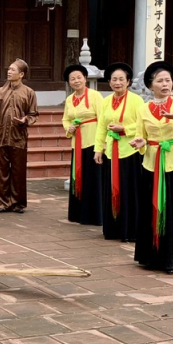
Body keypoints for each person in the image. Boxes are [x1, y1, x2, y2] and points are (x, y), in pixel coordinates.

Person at [129, 61, 173, 274]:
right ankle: (153, 256)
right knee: (153, 208)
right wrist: (140, 143)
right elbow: (139, 134)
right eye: (159, 81)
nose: (164, 84)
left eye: (167, 80)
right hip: (152, 162)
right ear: (151, 86)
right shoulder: (143, 108)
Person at [0, 59, 39, 214]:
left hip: (18, 136)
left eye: (13, 69)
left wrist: (25, 120)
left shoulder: (29, 92)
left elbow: (33, 114)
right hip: (1, 136)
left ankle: (18, 203)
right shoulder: (0, 91)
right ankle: (2, 203)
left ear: (21, 74)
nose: (9, 72)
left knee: (18, 171)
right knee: (1, 171)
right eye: (9, 69)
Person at [94, 62, 142, 242]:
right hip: (110, 152)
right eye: (114, 79)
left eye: (122, 79)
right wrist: (98, 148)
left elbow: (143, 124)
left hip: (130, 151)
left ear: (128, 81)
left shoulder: (136, 100)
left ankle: (130, 230)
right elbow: (101, 127)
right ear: (109, 82)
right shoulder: (106, 101)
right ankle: (112, 228)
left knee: (129, 191)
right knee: (110, 189)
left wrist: (125, 129)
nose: (117, 82)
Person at [62, 64, 103, 226]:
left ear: (85, 79)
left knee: (93, 178)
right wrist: (69, 128)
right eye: (72, 79)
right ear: (69, 82)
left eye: (79, 77)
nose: (76, 81)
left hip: (93, 141)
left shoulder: (95, 96)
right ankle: (77, 213)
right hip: (77, 142)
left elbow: (103, 119)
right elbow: (66, 119)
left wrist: (102, 144)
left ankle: (93, 215)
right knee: (77, 176)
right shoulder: (69, 100)